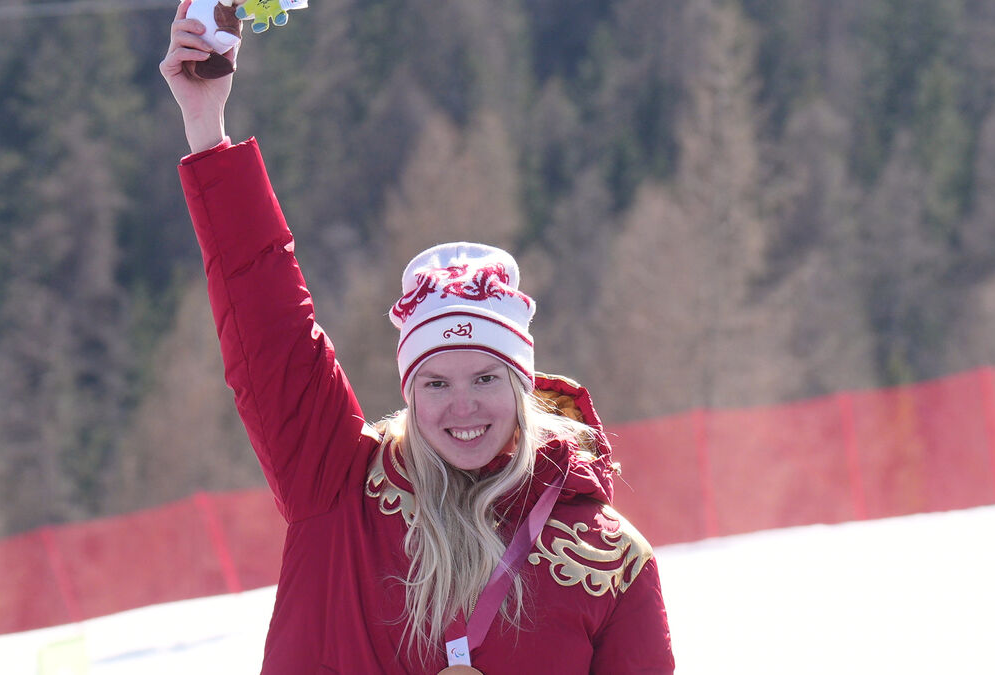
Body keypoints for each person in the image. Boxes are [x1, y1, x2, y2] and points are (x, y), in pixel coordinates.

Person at [161, 2, 675, 672]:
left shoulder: (610, 561)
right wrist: (207, 129)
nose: (462, 406)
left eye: (485, 377)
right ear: (408, 390)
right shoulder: (337, 480)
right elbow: (269, 327)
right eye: (435, 383)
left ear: (522, 384)